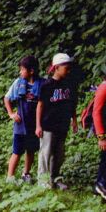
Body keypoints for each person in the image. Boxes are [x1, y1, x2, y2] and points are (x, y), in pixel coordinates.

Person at [36, 53, 78, 190]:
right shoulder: (47, 85)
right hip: (48, 125)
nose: (69, 70)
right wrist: (38, 125)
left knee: (59, 155)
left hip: (63, 124)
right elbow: (40, 105)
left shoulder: (69, 84)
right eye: (66, 67)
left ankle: (55, 179)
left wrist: (74, 120)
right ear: (57, 67)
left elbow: (72, 103)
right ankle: (43, 181)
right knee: (46, 153)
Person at [4, 56, 44, 183]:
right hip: (20, 125)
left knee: (31, 150)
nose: (20, 72)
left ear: (31, 71)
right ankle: (10, 177)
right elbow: (7, 98)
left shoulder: (42, 83)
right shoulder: (18, 83)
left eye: (22, 69)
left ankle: (26, 173)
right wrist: (11, 114)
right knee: (17, 151)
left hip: (35, 124)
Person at [93, 65, 106, 200]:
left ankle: (99, 186)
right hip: (104, 129)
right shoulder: (104, 87)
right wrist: (101, 136)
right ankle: (101, 185)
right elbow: (96, 112)